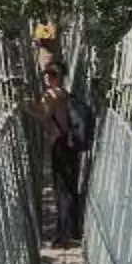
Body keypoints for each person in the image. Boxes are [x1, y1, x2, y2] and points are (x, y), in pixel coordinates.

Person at [33, 63, 93, 244]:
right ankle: (74, 231)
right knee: (71, 188)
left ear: (60, 77)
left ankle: (62, 234)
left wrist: (23, 106)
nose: (47, 76)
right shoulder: (66, 94)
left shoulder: (51, 94)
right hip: (71, 144)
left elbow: (42, 115)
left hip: (60, 146)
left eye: (52, 74)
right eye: (46, 73)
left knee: (61, 190)